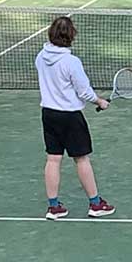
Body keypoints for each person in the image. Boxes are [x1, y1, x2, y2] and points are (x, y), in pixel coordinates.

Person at [35, 16, 115, 220]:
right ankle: (96, 204)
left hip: (48, 114)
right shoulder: (71, 62)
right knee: (81, 159)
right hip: (69, 117)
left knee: (53, 159)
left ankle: (53, 207)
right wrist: (99, 102)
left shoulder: (41, 56)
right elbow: (84, 91)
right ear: (71, 36)